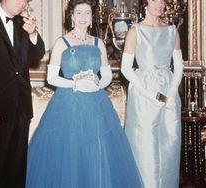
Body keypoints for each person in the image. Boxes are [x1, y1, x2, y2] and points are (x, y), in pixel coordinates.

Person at [26, 0, 143, 187]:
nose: (83, 17)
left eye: (87, 13)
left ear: (91, 18)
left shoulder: (99, 43)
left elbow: (106, 75)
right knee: (69, 155)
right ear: (71, 17)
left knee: (98, 151)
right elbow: (51, 78)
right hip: (68, 105)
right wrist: (76, 84)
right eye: (78, 13)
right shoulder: (61, 43)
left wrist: (96, 85)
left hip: (96, 105)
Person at [121, 0, 184, 187]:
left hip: (168, 91)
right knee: (145, 146)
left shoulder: (172, 30)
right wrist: (149, 95)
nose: (160, 4)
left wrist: (171, 94)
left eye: (163, 0)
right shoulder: (136, 31)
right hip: (144, 93)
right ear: (145, 3)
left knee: (170, 144)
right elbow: (126, 68)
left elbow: (179, 65)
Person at [0, 0, 45, 187]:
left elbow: (38, 54)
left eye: (26, 0)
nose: (22, 3)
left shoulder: (22, 23)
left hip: (21, 107)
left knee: (17, 169)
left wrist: (33, 33)